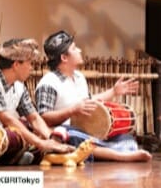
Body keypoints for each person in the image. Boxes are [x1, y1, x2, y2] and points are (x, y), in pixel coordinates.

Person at [34, 30, 152, 162]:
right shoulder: (49, 82)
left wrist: (114, 91)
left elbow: (89, 101)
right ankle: (120, 156)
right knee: (70, 135)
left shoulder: (79, 77)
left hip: (86, 132)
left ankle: (109, 150)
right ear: (64, 58)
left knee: (127, 139)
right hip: (64, 133)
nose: (79, 50)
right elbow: (43, 118)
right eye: (74, 48)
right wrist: (72, 111)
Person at [0, 38, 73, 165]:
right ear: (16, 64)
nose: (31, 67)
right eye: (29, 63)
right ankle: (12, 158)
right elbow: (7, 120)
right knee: (14, 135)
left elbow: (34, 117)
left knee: (30, 129)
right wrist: (41, 143)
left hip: (6, 139)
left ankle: (16, 157)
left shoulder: (19, 86)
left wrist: (51, 140)